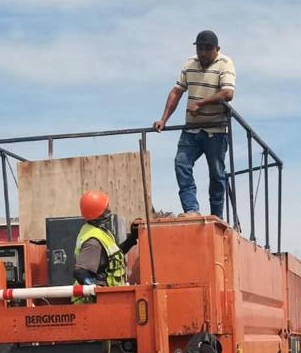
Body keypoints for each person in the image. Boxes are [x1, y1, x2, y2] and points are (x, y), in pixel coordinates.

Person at [151, 30, 236, 219]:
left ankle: (217, 216)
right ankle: (191, 209)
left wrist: (201, 103)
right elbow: (176, 92)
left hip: (216, 130)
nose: (203, 53)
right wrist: (163, 119)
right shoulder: (190, 64)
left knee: (216, 174)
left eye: (208, 49)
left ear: (217, 49)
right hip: (191, 130)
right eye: (200, 48)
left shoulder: (225, 64)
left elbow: (228, 93)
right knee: (181, 163)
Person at [73, 189, 138, 291]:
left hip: (109, 298)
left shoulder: (101, 233)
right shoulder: (93, 242)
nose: (109, 213)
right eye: (105, 210)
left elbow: (115, 256)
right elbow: (80, 272)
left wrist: (132, 238)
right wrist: (96, 289)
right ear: (98, 215)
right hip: (97, 303)